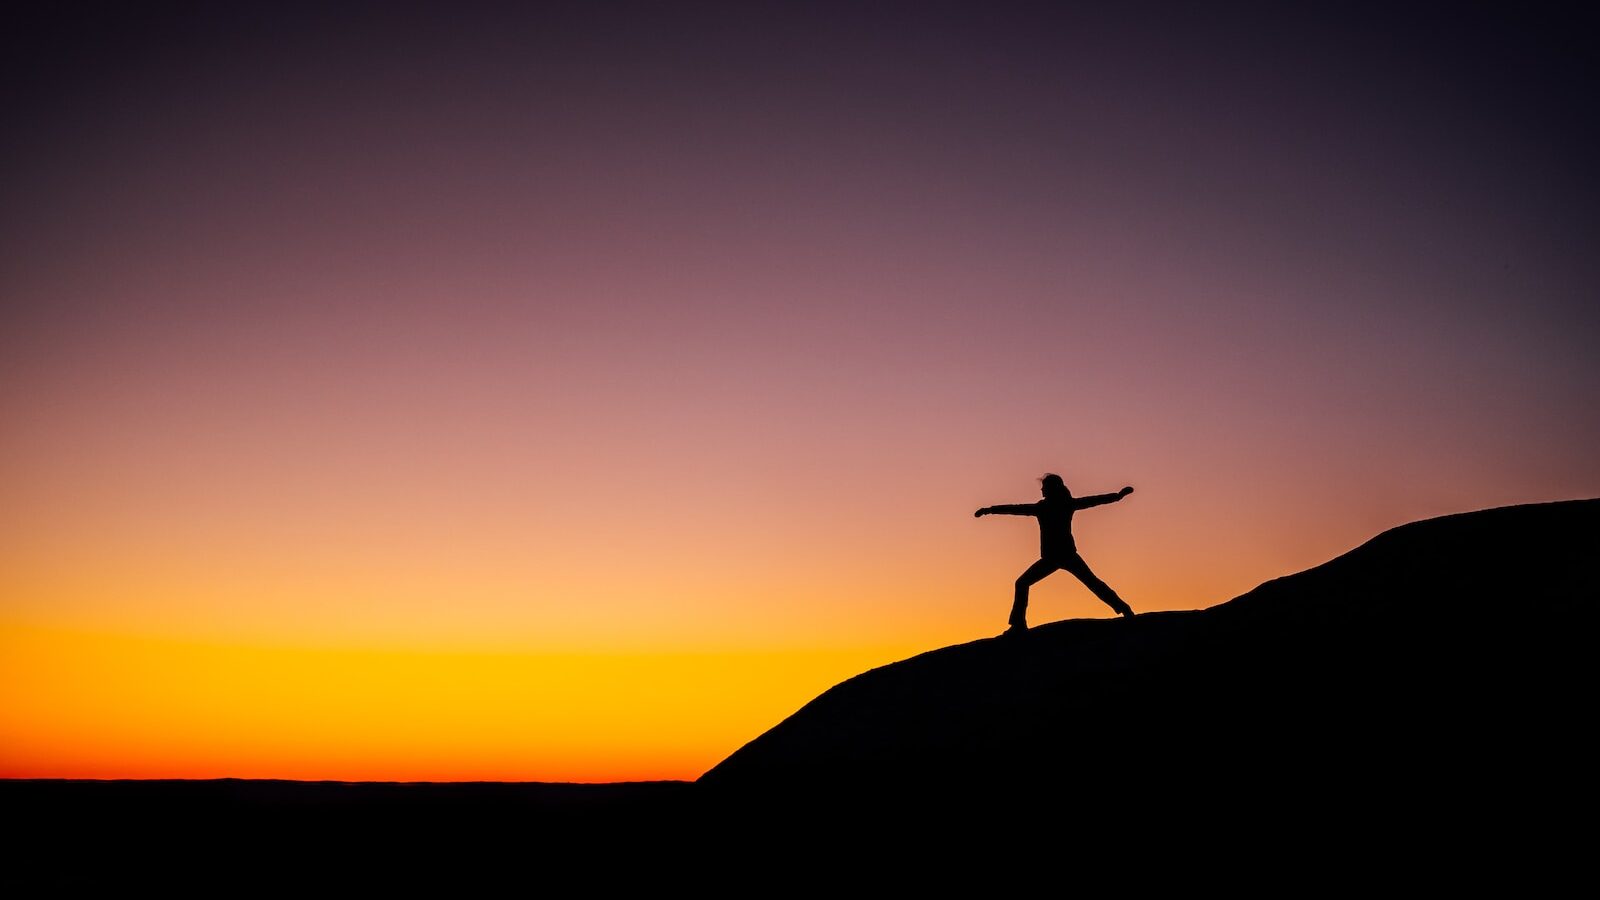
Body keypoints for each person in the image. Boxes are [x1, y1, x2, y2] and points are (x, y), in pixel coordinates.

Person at [975, 473, 1135, 635]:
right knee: (1024, 583)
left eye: (1044, 487)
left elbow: (1093, 500)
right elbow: (1015, 509)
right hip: (1054, 557)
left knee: (1092, 583)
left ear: (1052, 489)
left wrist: (1117, 496)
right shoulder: (1050, 506)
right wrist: (990, 510)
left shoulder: (1056, 506)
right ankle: (1018, 624)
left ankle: (1124, 609)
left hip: (1064, 555)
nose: (1042, 490)